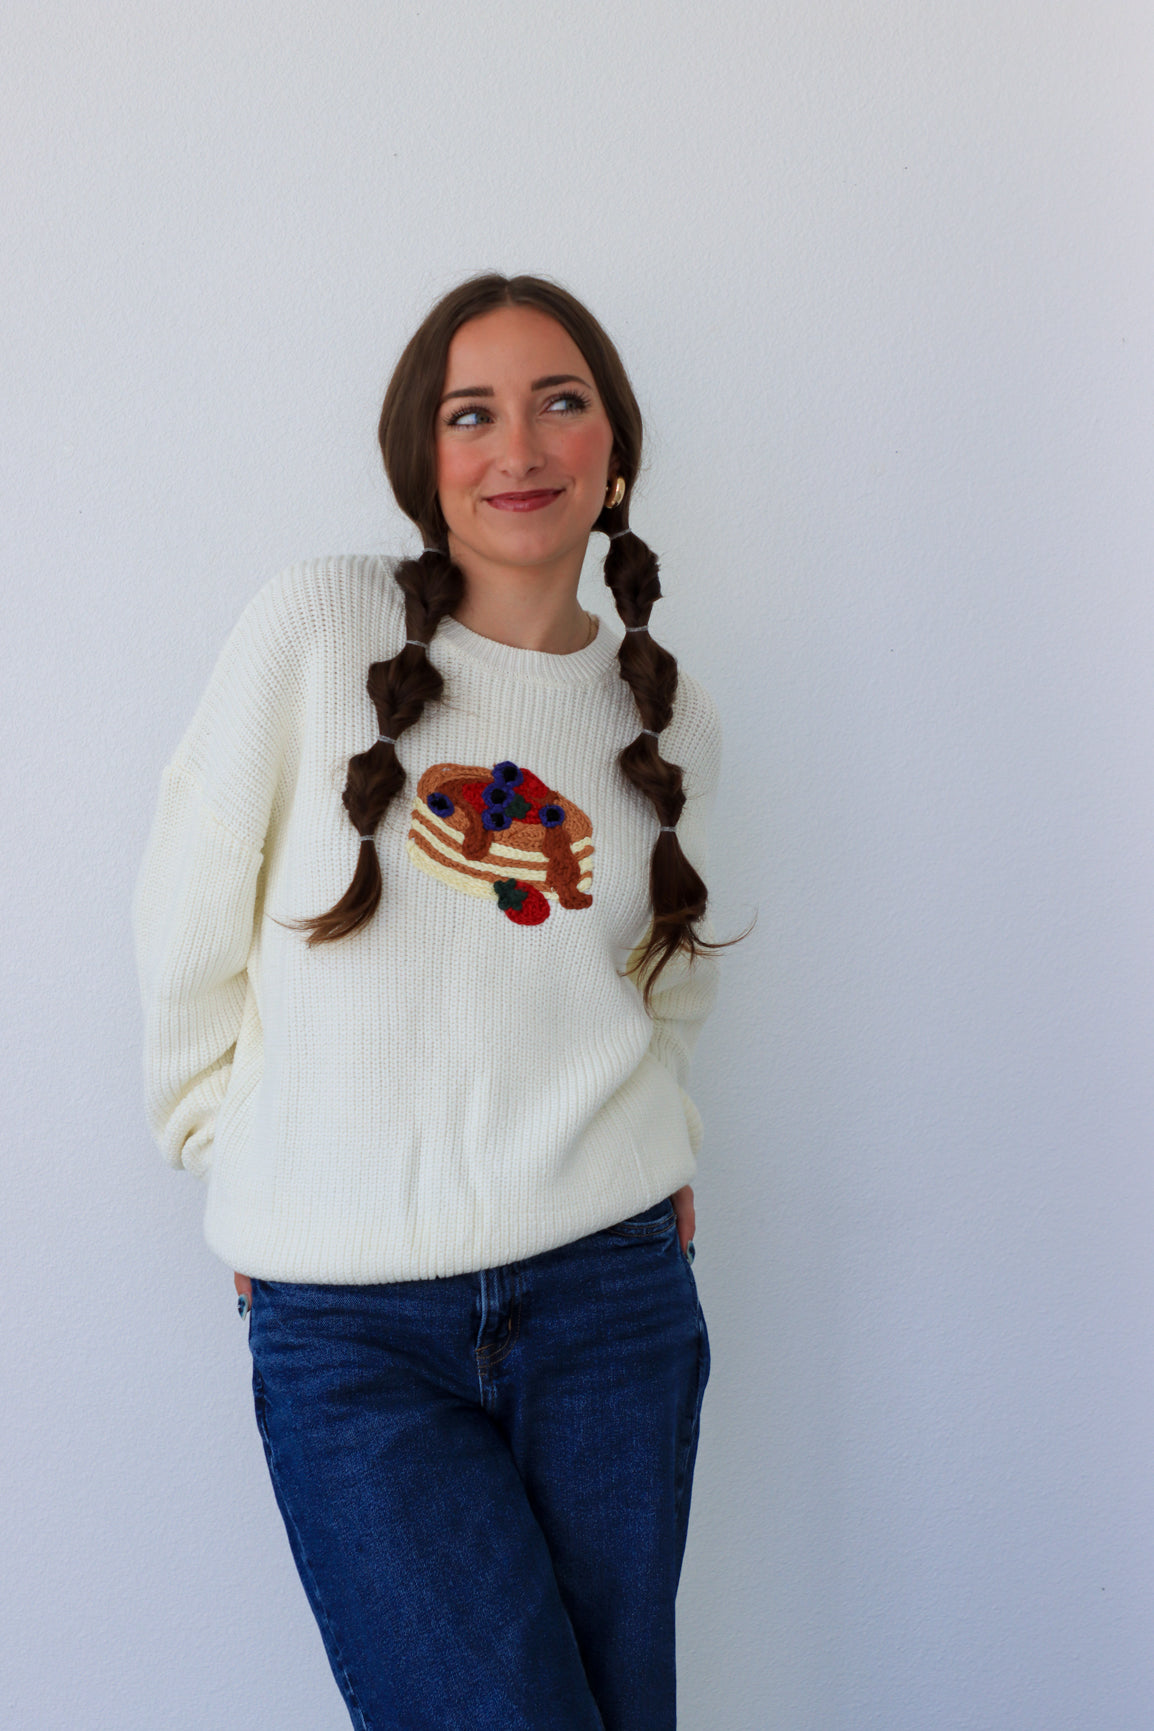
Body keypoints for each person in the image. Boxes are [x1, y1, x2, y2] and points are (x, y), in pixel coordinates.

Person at [132, 272, 736, 1731]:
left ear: (613, 450)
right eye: (473, 413)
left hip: (609, 1297)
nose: (517, 448)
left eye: (558, 402)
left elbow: (667, 968)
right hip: (349, 1334)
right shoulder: (317, 629)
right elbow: (185, 912)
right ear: (423, 453)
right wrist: (237, 1150)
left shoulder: (667, 717)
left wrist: (654, 1143)